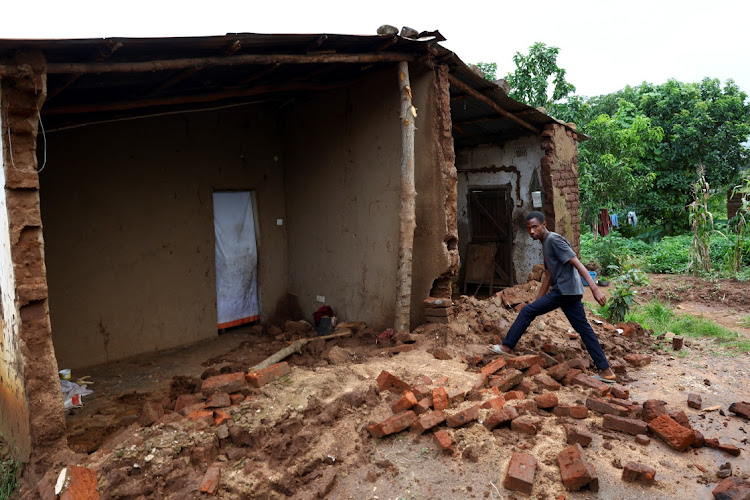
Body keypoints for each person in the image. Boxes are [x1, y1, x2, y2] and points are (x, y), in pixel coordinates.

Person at [489, 211, 617, 382]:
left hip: (564, 291)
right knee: (584, 329)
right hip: (570, 292)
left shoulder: (553, 240)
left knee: (527, 311)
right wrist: (537, 303)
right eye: (529, 229)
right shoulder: (545, 243)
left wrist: (594, 289)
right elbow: (548, 275)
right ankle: (606, 371)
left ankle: (507, 346)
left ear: (544, 225)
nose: (532, 231)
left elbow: (576, 262)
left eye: (535, 227)